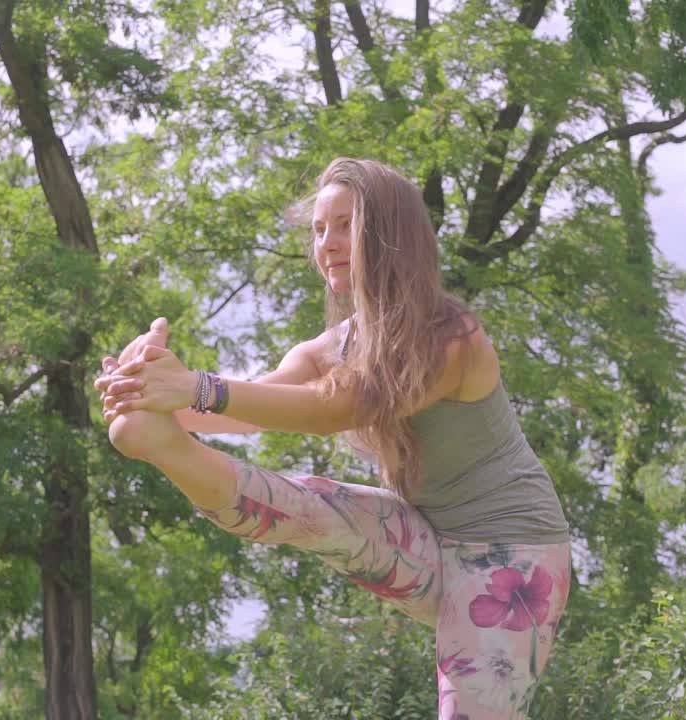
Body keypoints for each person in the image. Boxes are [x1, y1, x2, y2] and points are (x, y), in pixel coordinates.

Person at [93, 158, 571, 719]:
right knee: (314, 506)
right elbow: (247, 412)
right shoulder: (328, 349)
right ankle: (165, 448)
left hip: (513, 558)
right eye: (319, 230)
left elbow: (339, 407)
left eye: (345, 224)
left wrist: (192, 387)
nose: (327, 243)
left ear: (391, 234)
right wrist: (151, 393)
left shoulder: (451, 337)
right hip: (426, 538)